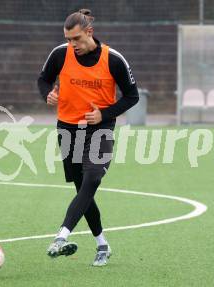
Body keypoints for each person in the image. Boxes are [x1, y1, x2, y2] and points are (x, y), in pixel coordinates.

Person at [37, 9, 139, 266]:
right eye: (68, 39)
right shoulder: (60, 54)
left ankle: (61, 236)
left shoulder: (113, 59)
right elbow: (43, 80)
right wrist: (47, 94)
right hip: (67, 130)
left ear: (89, 33)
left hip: (99, 129)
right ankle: (102, 244)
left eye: (77, 39)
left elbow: (131, 96)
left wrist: (104, 114)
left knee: (93, 177)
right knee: (83, 189)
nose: (73, 44)